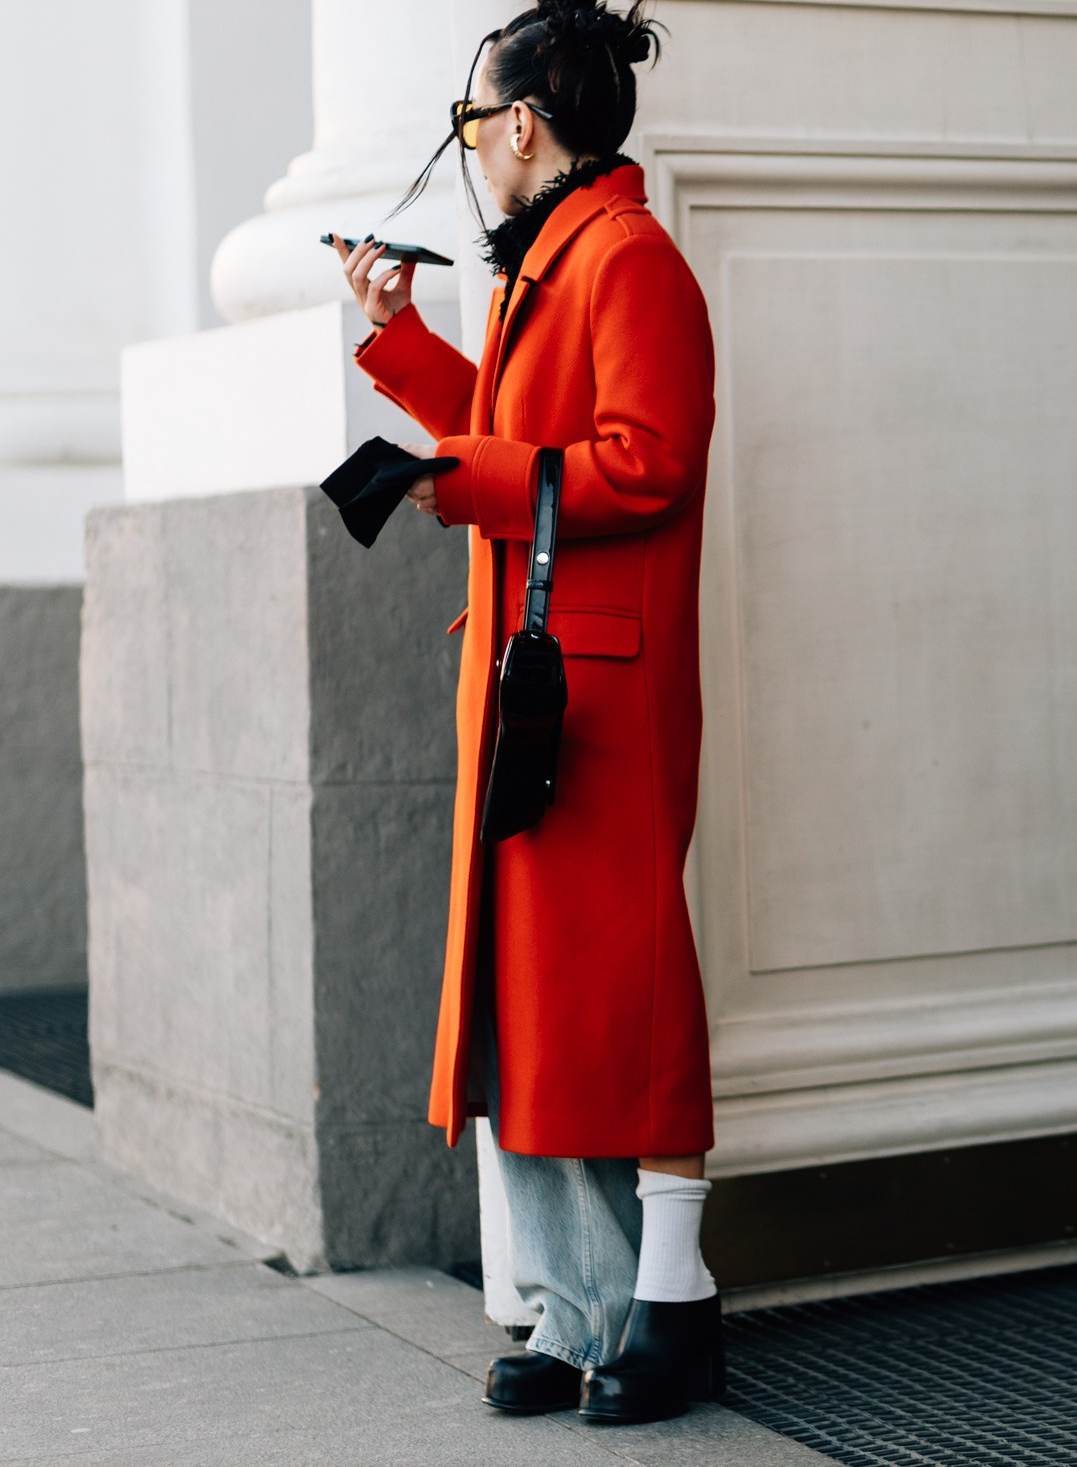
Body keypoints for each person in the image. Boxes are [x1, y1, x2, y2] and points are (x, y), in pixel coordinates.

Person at [329, 0, 720, 1426]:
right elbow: (508, 421)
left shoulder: (627, 260)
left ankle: (649, 1311)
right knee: (529, 1012)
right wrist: (403, 342)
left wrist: (469, 486)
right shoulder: (554, 262)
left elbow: (648, 463)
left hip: (597, 696)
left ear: (521, 126)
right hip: (542, 678)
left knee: (605, 1007)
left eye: (469, 125)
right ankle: (576, 1312)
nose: (471, 151)